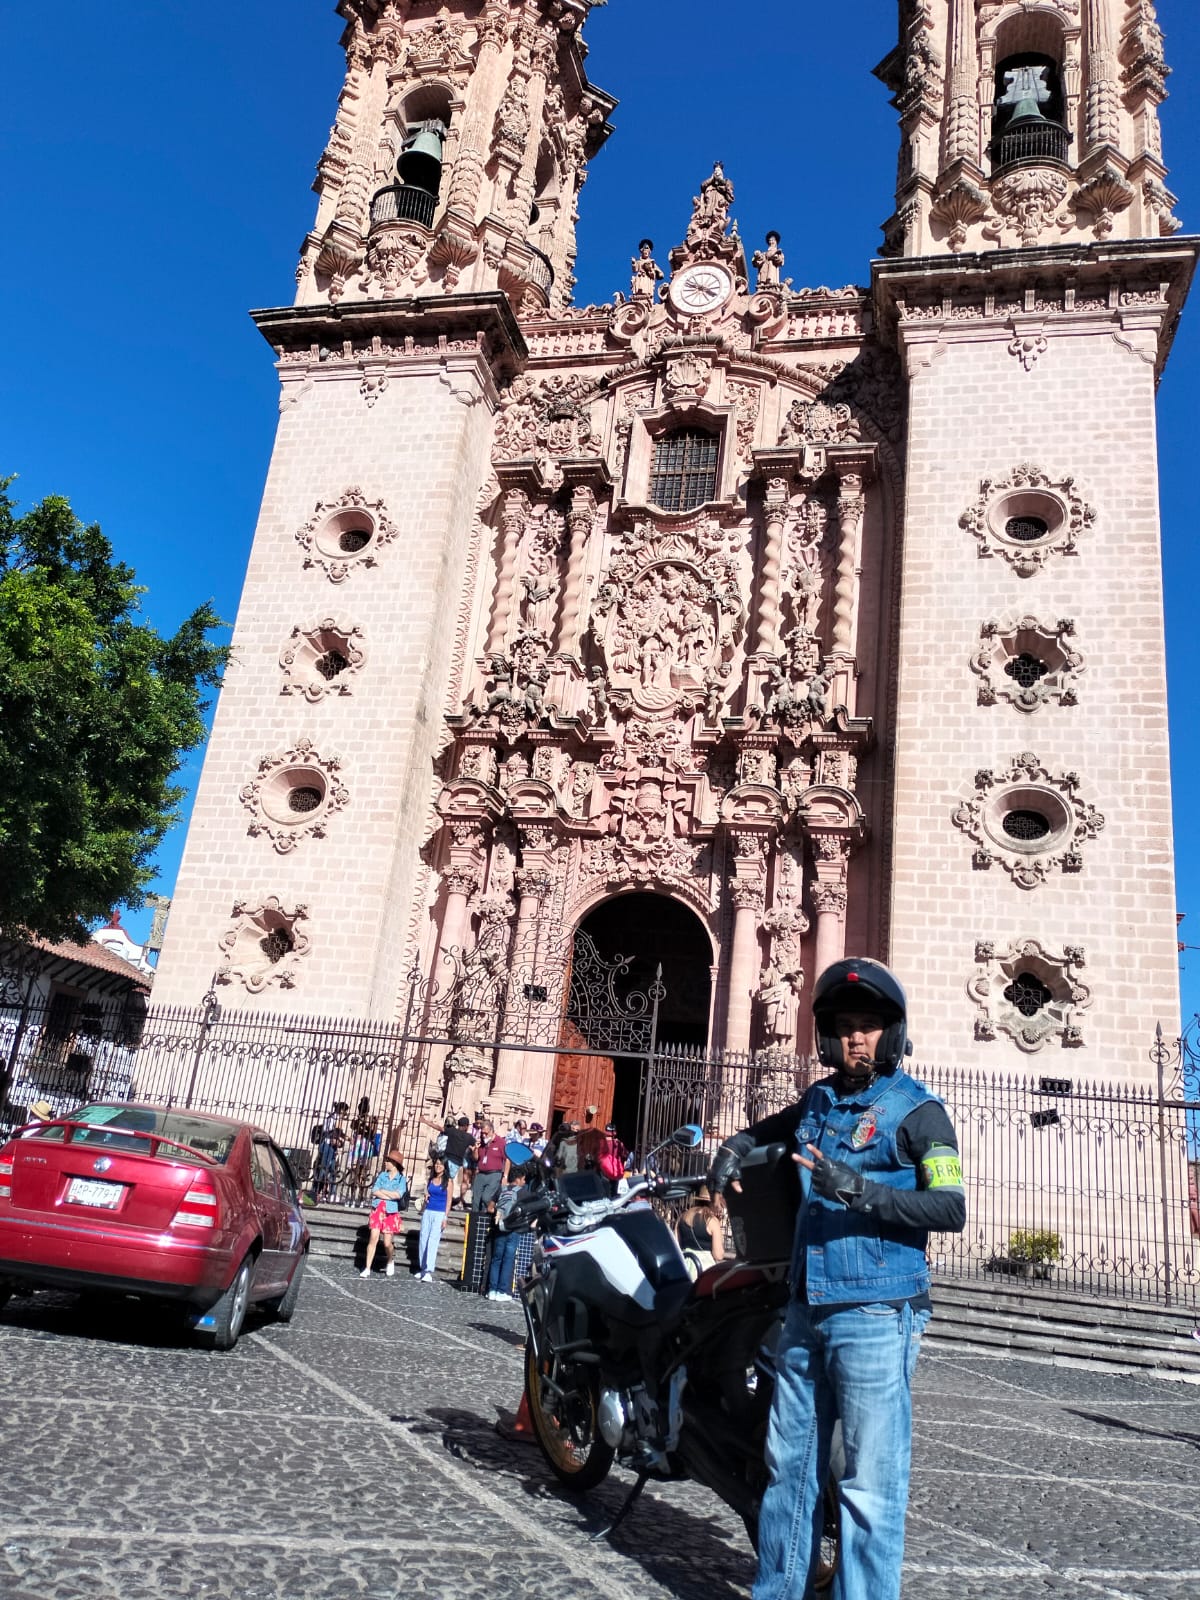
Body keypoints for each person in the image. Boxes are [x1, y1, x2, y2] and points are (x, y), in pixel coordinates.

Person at [708, 957, 966, 1600]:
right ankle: (776, 1590)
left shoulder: (918, 1113)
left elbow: (951, 1207)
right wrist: (736, 1145)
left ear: (892, 1033)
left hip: (877, 1314)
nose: (857, 1037)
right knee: (788, 1470)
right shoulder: (820, 1100)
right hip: (805, 1309)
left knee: (868, 1485)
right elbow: (776, 1128)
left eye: (871, 1025)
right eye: (846, 1026)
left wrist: (859, 1190)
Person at [360, 1150, 407, 1278]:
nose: (385, 1163)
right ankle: (367, 1267)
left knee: (387, 1243)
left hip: (391, 1212)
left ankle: (390, 1260)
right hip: (378, 1209)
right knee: (373, 1238)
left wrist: (384, 1192)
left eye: (388, 1161)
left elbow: (399, 1194)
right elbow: (375, 1191)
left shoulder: (401, 1179)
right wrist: (389, 1195)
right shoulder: (382, 1175)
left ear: (395, 1163)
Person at [676, 1185, 726, 1280]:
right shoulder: (712, 1221)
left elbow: (677, 1245)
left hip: (684, 1268)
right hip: (704, 1272)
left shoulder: (682, 1217)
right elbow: (718, 1255)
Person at [417, 1155, 451, 1284]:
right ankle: (423, 1267)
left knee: (432, 1241)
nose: (438, 1166)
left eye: (441, 1164)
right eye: (436, 1163)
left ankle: (429, 1270)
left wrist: (445, 1217)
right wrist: (426, 1195)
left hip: (439, 1213)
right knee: (423, 1239)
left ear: (445, 1167)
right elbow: (428, 1192)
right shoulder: (431, 1179)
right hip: (428, 1211)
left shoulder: (448, 1181)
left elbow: (448, 1201)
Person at [471, 1117, 507, 1213]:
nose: (484, 1135)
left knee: (486, 1197)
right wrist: (475, 1149)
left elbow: (507, 1160)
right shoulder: (482, 1143)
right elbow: (476, 1158)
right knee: (475, 1199)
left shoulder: (501, 1142)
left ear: (492, 1131)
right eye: (482, 1133)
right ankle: (474, 1221)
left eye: (486, 1133)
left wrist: (505, 1176)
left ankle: (489, 1214)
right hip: (481, 1173)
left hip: (494, 1174)